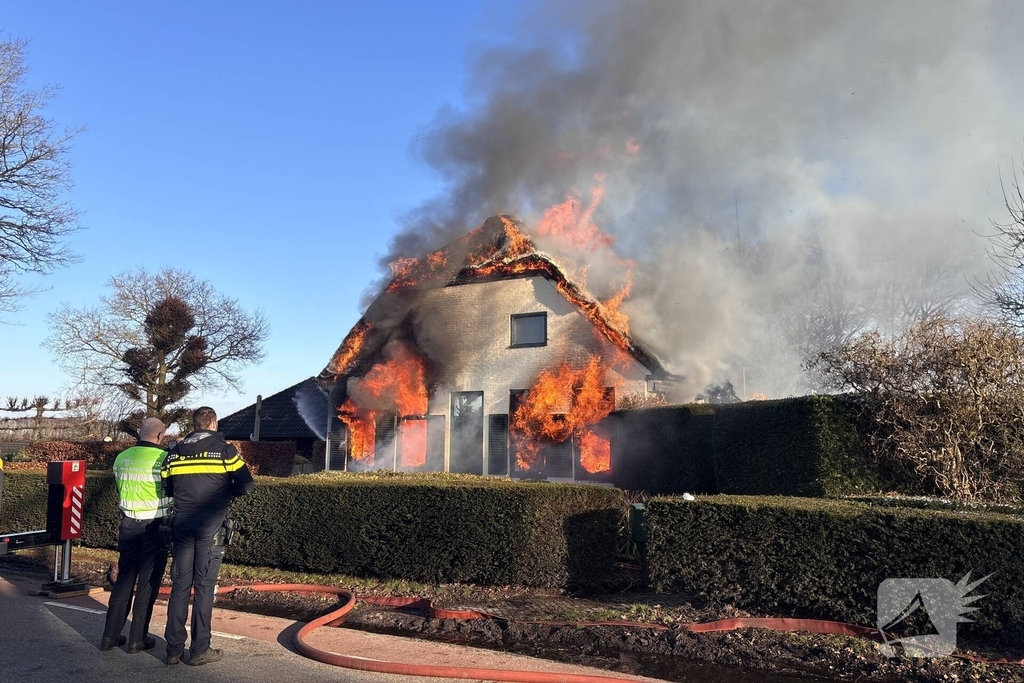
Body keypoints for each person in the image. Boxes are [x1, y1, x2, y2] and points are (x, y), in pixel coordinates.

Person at [162, 406, 254, 666]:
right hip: (210, 528)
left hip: (181, 523)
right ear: (213, 423)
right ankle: (200, 649)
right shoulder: (226, 451)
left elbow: (168, 486)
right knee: (203, 586)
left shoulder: (175, 454)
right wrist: (225, 494)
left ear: (194, 425)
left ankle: (173, 650)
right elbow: (247, 485)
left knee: (180, 586)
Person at [100, 417, 171, 653]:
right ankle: (137, 639)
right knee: (147, 583)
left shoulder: (122, 458)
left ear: (139, 433)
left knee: (124, 580)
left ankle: (110, 636)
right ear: (160, 436)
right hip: (154, 526)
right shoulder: (163, 459)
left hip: (128, 524)